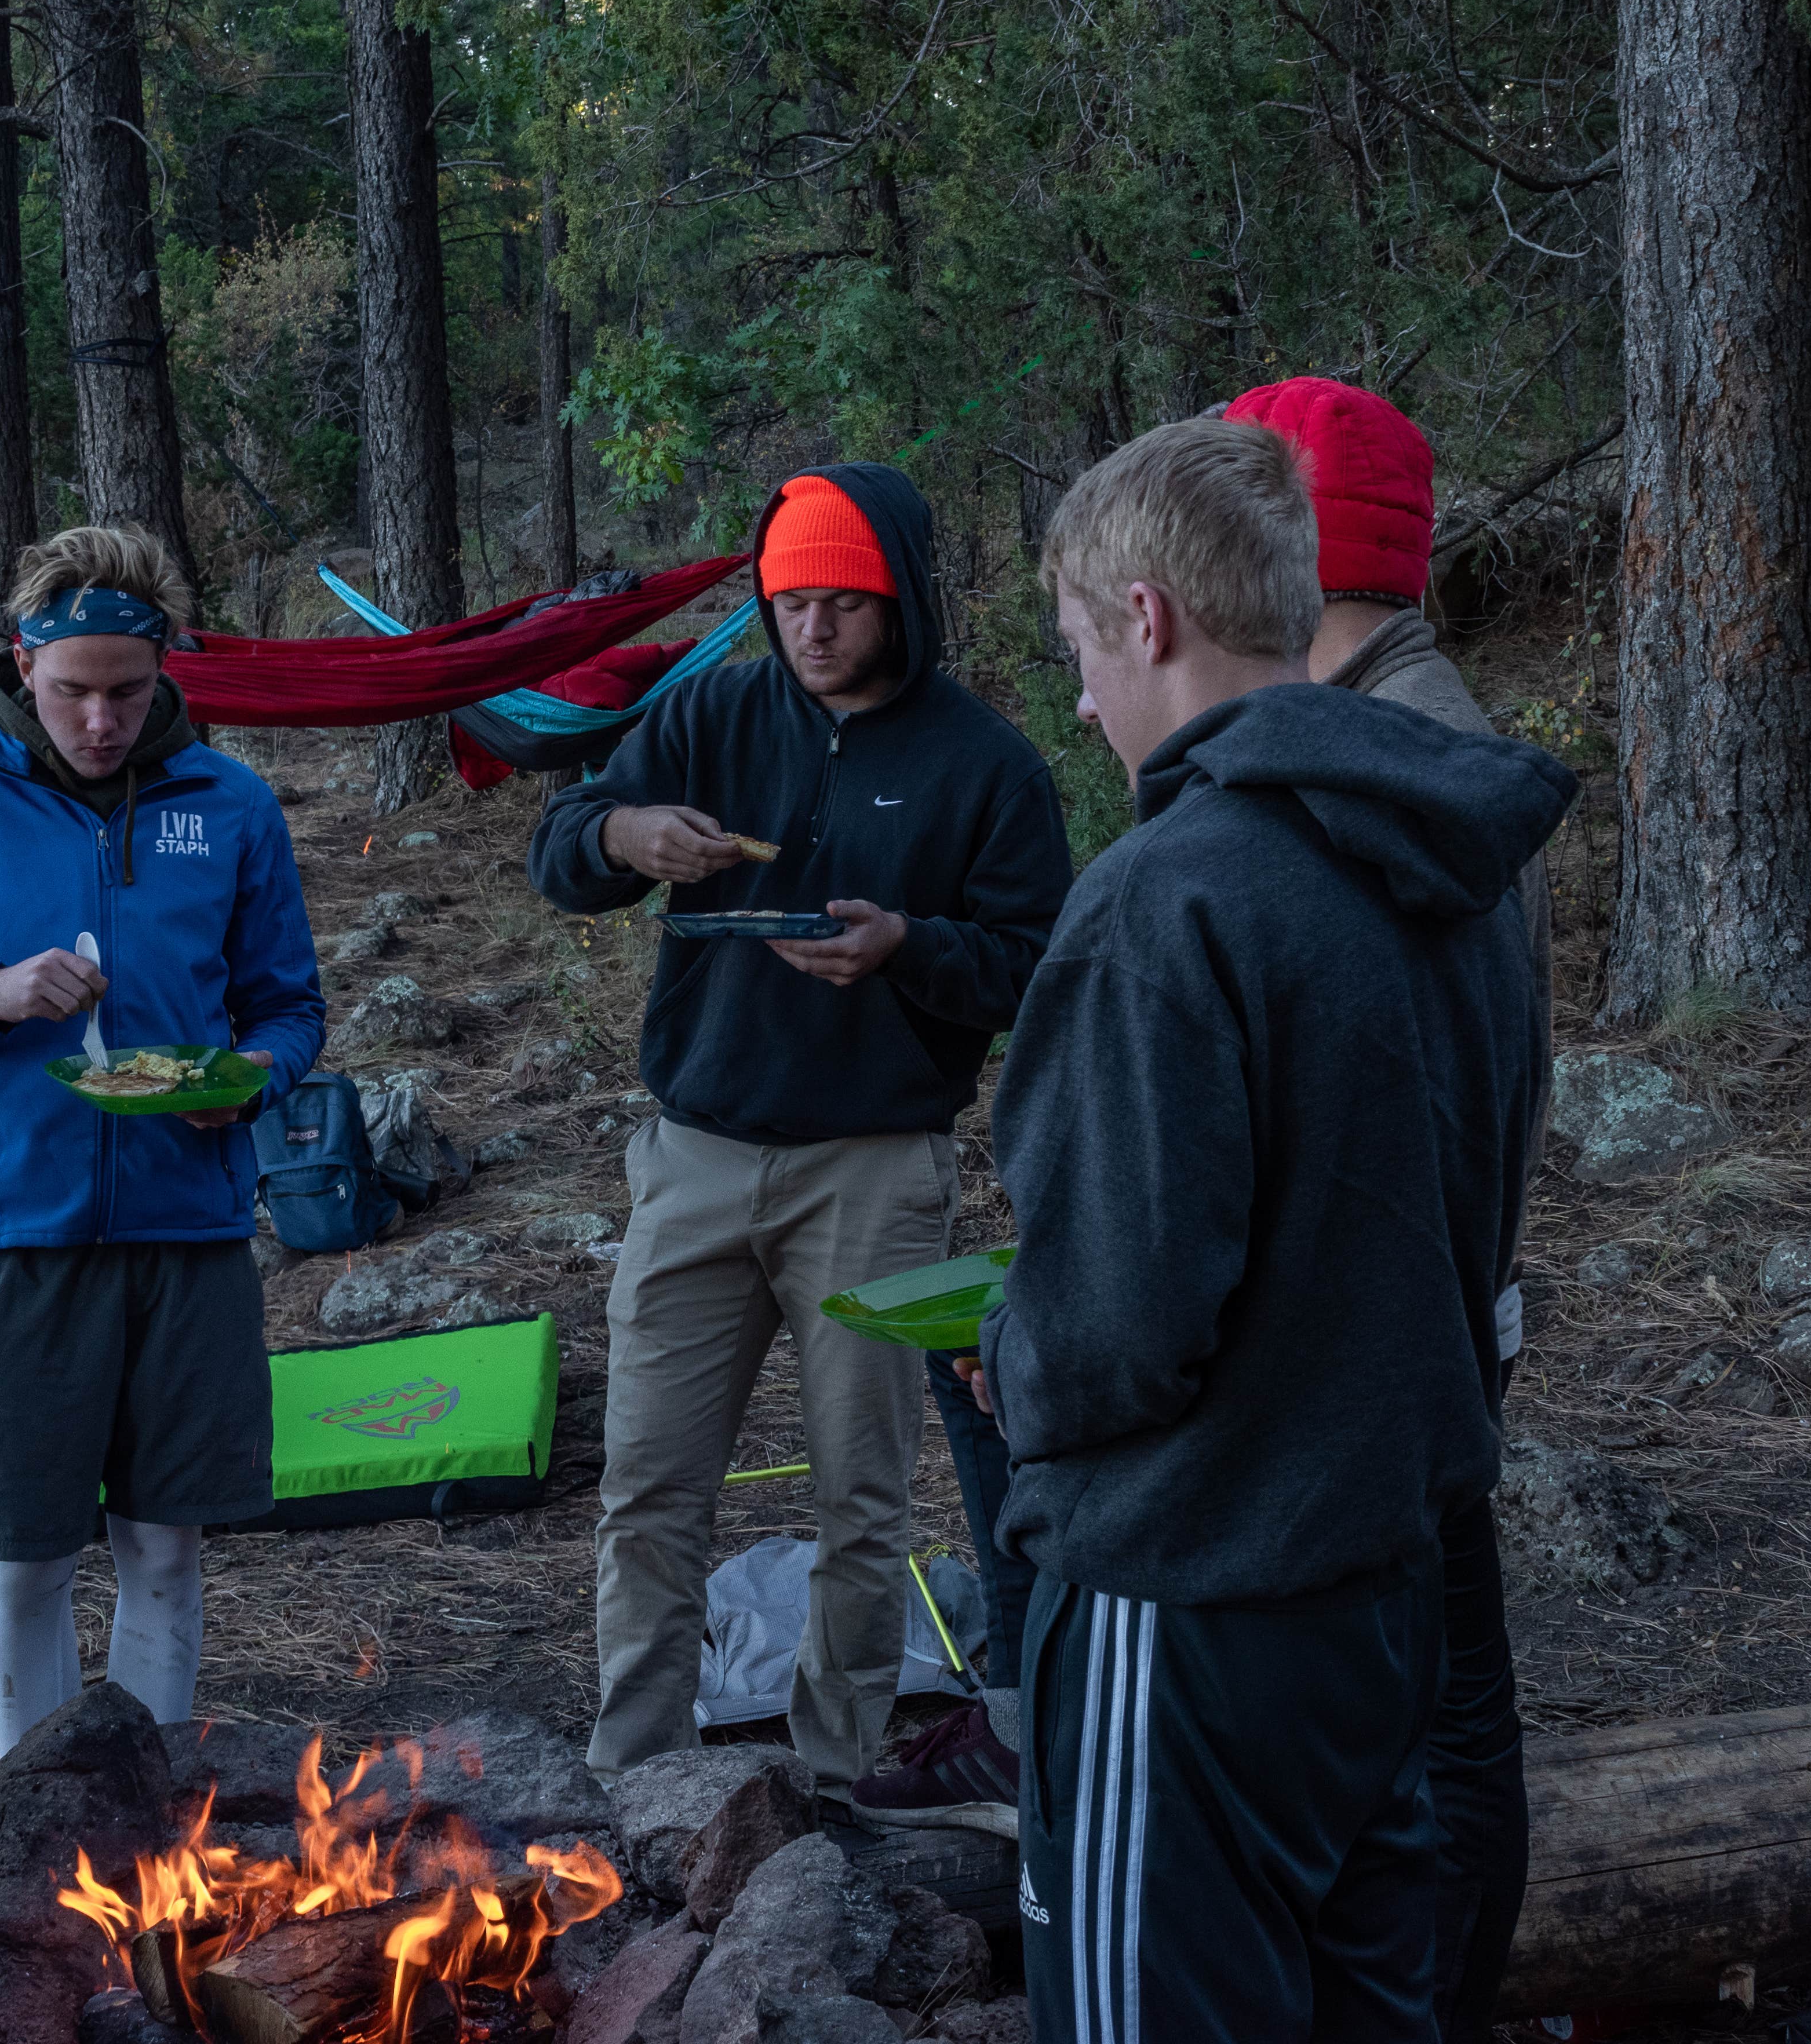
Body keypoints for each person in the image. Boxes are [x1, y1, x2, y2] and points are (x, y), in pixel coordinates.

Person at [980, 415, 1567, 2042]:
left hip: (1191, 1600)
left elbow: (1115, 1327)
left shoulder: (1170, 899)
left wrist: (1007, 1361)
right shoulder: (1444, 863)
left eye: (1082, 652)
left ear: (1150, 618)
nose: (1085, 702)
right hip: (1383, 1597)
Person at [527, 464, 1072, 1802]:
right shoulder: (711, 709)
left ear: (902, 601)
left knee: (862, 1501)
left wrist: (907, 950)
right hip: (697, 1149)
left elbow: (1039, 965)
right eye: (788, 601)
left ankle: (835, 1776)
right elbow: (561, 851)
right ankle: (633, 1774)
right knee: (649, 1485)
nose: (813, 628)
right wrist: (629, 832)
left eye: (843, 602)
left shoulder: (982, 764)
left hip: (874, 1169)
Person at [0, 524, 324, 1757]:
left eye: (127, 691)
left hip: (190, 1225)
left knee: (165, 1545)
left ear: (165, 671)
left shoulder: (227, 804)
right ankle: (40, 1821)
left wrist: (257, 1079)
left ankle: (156, 1824)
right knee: (31, 1556)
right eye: (73, 692)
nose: (102, 721)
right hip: (23, 1231)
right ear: (22, 661)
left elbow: (288, 1004)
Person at [1230, 373, 1555, 2038]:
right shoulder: (1414, 723)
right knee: (1444, 1692)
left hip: (1404, 1313)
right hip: (1440, 1294)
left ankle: (1435, 1995)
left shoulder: (1402, 757)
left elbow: (1406, 1076)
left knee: (1435, 1706)